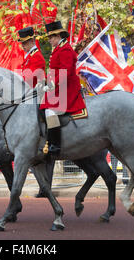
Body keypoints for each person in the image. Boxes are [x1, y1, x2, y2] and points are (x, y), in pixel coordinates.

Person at [17, 26, 54, 197]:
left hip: (37, 94)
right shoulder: (28, 56)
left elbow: (30, 78)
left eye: (25, 43)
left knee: (42, 117)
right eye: (22, 43)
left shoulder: (36, 56)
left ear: (32, 41)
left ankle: (45, 139)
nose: (23, 46)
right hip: (29, 94)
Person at [39, 20, 86, 156]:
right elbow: (55, 70)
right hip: (59, 85)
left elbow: (66, 72)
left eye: (51, 37)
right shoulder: (59, 48)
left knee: (50, 112)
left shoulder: (65, 49)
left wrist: (53, 85)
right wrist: (45, 82)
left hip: (67, 87)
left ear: (58, 36)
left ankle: (55, 144)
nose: (49, 40)